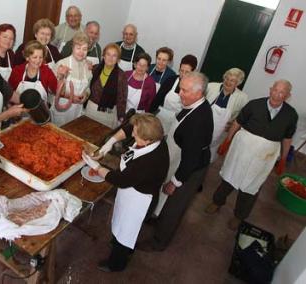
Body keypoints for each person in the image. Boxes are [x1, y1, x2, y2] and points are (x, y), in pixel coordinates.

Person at [205, 80, 298, 230]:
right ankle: (217, 202)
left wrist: (283, 158)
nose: (277, 95)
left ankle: (239, 216)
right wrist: (227, 141)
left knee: (252, 185)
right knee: (230, 176)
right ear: (270, 89)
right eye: (275, 90)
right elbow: (237, 122)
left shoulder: (290, 114)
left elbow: (287, 138)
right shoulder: (254, 105)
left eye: (281, 92)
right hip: (242, 149)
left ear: (287, 96)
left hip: (265, 155)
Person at [82, 113, 169, 272]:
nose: (132, 134)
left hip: (139, 200)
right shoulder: (155, 137)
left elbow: (120, 180)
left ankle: (116, 264)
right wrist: (109, 144)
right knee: (122, 227)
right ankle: (121, 245)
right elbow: (130, 128)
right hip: (131, 192)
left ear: (148, 140)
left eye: (136, 135)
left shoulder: (149, 161)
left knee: (126, 232)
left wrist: (95, 166)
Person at [138, 72, 214, 252]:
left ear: (199, 93)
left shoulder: (199, 120)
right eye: (180, 88)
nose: (180, 93)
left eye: (185, 91)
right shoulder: (192, 104)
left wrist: (176, 182)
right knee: (165, 198)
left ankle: (159, 241)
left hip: (190, 169)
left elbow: (191, 159)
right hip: (181, 158)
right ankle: (157, 217)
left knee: (174, 206)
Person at [206, 68, 248, 162]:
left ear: (238, 83)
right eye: (227, 79)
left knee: (208, 158)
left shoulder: (242, 98)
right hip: (202, 126)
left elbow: (241, 118)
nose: (228, 82)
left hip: (220, 134)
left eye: (232, 80)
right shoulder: (210, 87)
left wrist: (232, 125)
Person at [51, 32, 92, 126]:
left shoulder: (88, 67)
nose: (81, 52)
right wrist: (70, 97)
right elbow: (52, 90)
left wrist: (86, 95)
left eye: (84, 49)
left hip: (77, 111)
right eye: (78, 48)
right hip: (61, 111)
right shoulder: (62, 64)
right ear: (72, 47)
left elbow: (88, 87)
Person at [150, 54, 198, 134]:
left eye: (187, 72)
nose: (183, 74)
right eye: (181, 71)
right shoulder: (170, 80)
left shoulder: (195, 90)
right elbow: (157, 100)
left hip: (177, 124)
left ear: (194, 71)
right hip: (160, 118)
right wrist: (150, 115)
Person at [85, 43, 128, 128]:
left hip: (108, 114)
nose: (110, 58)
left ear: (118, 59)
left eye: (114, 55)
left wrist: (121, 117)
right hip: (91, 110)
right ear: (103, 56)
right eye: (108, 54)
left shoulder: (121, 75)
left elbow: (122, 98)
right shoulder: (94, 69)